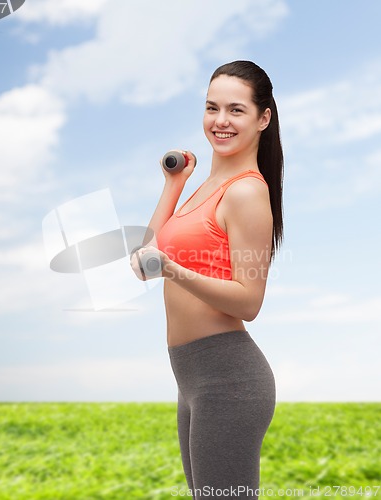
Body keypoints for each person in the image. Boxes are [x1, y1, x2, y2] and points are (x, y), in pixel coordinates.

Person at [131, 60, 283, 499]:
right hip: (193, 379)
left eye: (236, 110)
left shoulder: (248, 192)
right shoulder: (202, 189)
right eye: (211, 107)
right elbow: (144, 259)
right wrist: (174, 183)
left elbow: (248, 302)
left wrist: (175, 269)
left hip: (229, 379)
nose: (220, 121)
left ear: (263, 118)